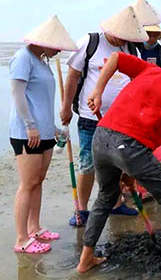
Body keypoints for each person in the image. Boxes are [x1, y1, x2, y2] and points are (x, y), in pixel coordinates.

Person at [76, 51, 161, 277]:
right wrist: (132, 169)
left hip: (101, 136)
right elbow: (152, 141)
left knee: (105, 196)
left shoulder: (152, 70)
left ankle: (86, 259)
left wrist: (97, 91)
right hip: (130, 146)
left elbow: (116, 58)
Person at [60, 6, 149, 226]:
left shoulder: (131, 50)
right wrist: (64, 107)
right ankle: (82, 210)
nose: (122, 41)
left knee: (118, 164)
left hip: (121, 118)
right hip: (91, 116)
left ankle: (116, 203)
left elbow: (136, 82)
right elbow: (72, 77)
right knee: (88, 163)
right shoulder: (90, 43)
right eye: (120, 36)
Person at [11, 16, 78, 253]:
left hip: (45, 132)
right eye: (57, 45)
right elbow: (18, 95)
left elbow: (41, 101)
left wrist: (55, 130)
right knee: (27, 183)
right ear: (45, 41)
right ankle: (21, 239)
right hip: (26, 133)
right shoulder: (23, 58)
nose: (59, 50)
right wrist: (30, 126)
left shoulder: (43, 61)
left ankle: (34, 228)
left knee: (38, 180)